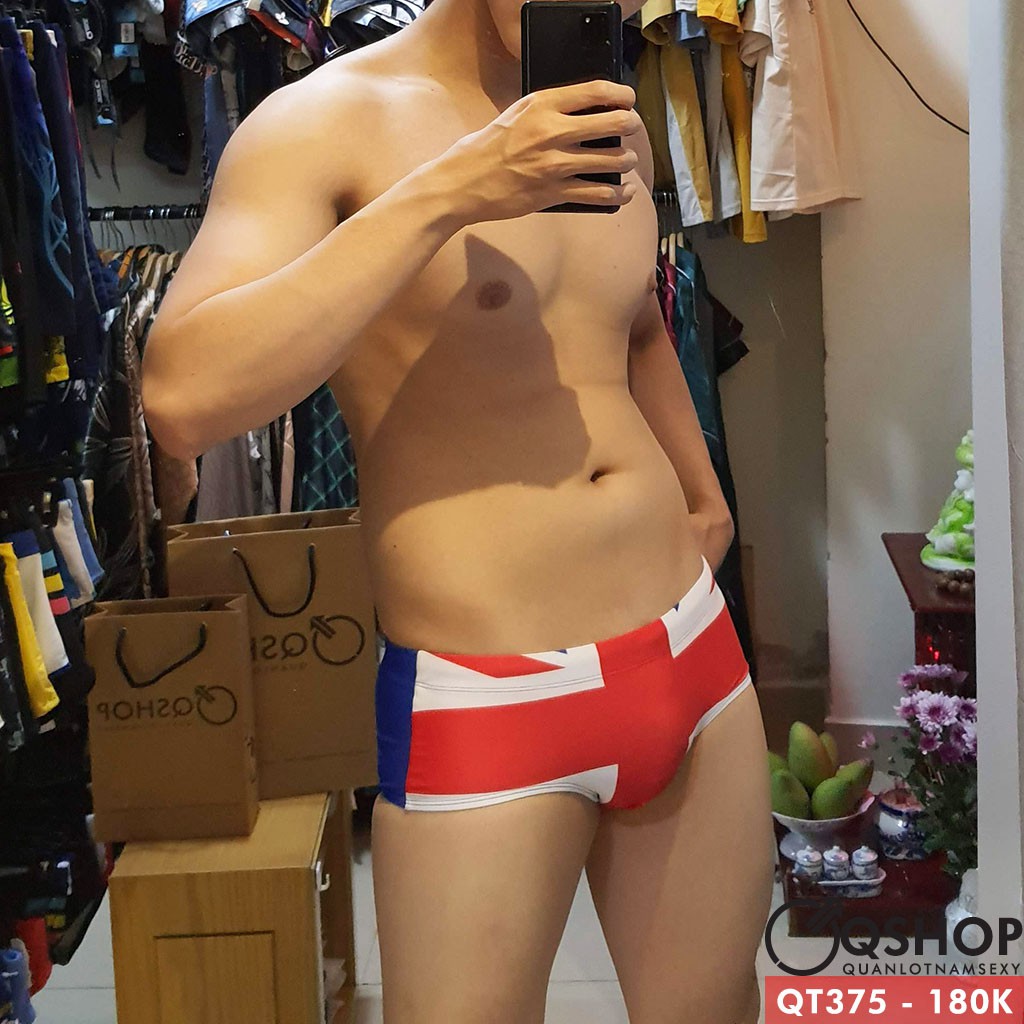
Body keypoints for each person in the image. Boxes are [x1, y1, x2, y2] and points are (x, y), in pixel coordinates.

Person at [141, 0, 776, 1019]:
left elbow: (631, 324)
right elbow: (183, 400)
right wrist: (450, 192)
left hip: (691, 654)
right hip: (490, 693)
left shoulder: (603, 112)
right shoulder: (321, 123)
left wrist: (706, 503)